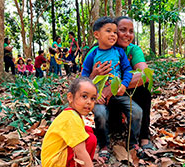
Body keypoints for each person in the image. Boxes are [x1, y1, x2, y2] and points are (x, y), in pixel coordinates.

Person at [86, 16, 155, 158]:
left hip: (122, 92)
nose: (127, 34)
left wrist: (115, 86)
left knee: (143, 93)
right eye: (121, 30)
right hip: (102, 98)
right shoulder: (95, 52)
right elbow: (83, 79)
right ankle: (104, 143)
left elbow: (144, 74)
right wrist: (94, 78)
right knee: (103, 116)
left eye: (131, 31)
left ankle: (140, 138)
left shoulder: (129, 51)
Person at [41, 77, 99, 167]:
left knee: (87, 131)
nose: (89, 102)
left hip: (52, 160)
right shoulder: (71, 118)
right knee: (90, 139)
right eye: (84, 96)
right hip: (54, 163)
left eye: (93, 98)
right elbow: (80, 151)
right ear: (70, 97)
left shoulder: (72, 114)